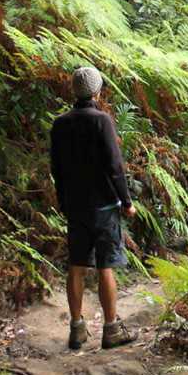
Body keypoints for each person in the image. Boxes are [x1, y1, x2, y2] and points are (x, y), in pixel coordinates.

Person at [50, 66, 138, 350]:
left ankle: (77, 330)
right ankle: (111, 329)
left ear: (73, 91)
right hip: (103, 206)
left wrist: (63, 201)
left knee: (76, 265)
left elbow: (57, 170)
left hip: (75, 207)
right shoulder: (102, 121)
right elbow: (114, 167)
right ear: (97, 92)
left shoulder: (60, 124)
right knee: (105, 266)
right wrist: (126, 202)